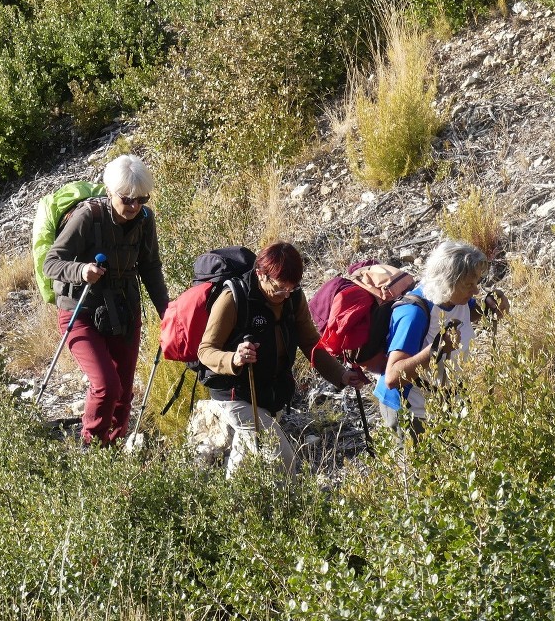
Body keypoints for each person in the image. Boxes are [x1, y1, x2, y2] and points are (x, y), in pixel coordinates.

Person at [197, 241, 369, 477]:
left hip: (270, 392)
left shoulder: (293, 298)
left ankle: (232, 506)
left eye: (291, 288)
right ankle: (290, 509)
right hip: (236, 393)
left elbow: (310, 344)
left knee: (244, 460)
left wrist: (340, 374)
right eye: (279, 288)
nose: (284, 295)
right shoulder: (233, 297)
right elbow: (205, 350)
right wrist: (234, 358)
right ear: (260, 274)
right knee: (281, 457)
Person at [43, 155, 169, 447]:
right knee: (106, 385)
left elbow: (150, 267)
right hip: (81, 310)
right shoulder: (87, 217)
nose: (134, 206)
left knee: (123, 392)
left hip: (123, 310)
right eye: (127, 199)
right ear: (110, 192)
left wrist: (167, 310)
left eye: (142, 199)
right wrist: (81, 270)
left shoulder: (144, 220)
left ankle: (110, 455)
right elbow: (51, 263)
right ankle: (92, 449)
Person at [374, 240, 509, 439]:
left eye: (477, 283)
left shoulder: (457, 298)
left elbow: (466, 314)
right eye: (469, 285)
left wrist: (491, 305)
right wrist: (435, 350)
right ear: (448, 282)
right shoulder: (413, 314)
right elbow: (393, 378)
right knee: (421, 470)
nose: (476, 291)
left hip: (443, 404)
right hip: (411, 411)